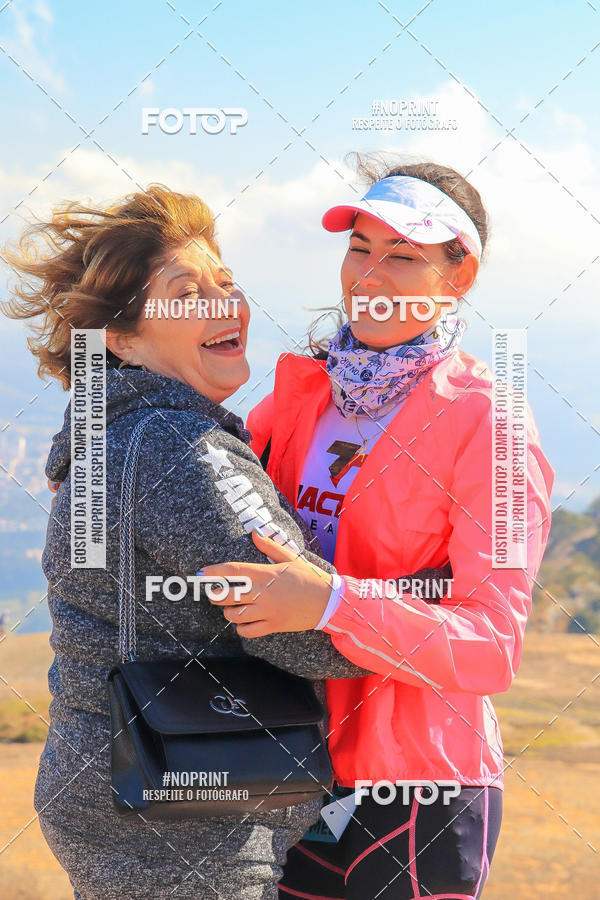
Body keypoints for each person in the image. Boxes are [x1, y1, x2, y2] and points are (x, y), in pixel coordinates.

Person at [2, 184, 380, 900]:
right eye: (187, 293)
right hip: (183, 817)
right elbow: (309, 630)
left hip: (112, 786)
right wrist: (423, 598)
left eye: (226, 285)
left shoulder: (100, 436)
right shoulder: (181, 447)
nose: (223, 304)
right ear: (122, 338)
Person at [200, 160, 555, 899]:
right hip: (288, 764)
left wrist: (331, 602)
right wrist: (97, 451)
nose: (370, 275)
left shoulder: (491, 422)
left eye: (403, 257)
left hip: (419, 791)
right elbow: (203, 477)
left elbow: (491, 648)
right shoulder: (302, 396)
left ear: (458, 277)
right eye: (360, 248)